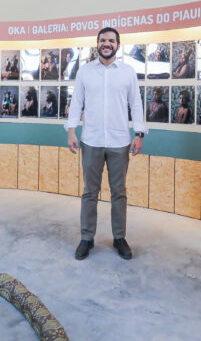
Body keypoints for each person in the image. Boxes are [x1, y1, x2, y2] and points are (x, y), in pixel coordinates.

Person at [66, 27, 146, 261]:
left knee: (119, 193)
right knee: (90, 192)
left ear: (117, 45)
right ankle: (86, 238)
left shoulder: (128, 72)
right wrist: (71, 130)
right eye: (103, 40)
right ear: (97, 43)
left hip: (120, 142)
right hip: (91, 140)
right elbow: (76, 102)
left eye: (111, 40)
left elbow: (136, 104)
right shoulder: (85, 72)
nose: (106, 44)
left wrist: (139, 133)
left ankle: (119, 237)